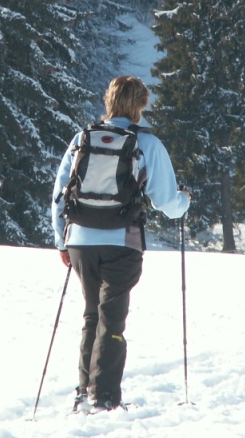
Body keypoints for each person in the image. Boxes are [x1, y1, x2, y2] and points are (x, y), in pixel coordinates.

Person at [51, 75, 190, 412]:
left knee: (91, 314)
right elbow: (167, 202)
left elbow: (59, 195)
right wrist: (184, 200)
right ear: (141, 104)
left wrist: (61, 241)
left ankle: (84, 392)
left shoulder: (82, 138)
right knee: (111, 318)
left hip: (80, 240)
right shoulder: (147, 143)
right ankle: (105, 397)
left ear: (108, 100)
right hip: (121, 241)